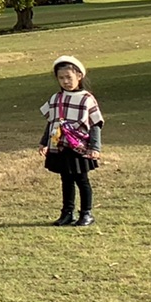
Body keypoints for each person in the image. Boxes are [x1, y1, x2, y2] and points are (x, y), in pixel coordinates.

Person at [39, 54, 103, 226]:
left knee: (81, 180)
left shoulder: (86, 99)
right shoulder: (56, 99)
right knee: (66, 179)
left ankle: (86, 213)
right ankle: (67, 213)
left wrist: (95, 147)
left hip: (80, 147)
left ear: (79, 76)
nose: (65, 81)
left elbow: (95, 123)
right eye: (61, 78)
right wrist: (44, 142)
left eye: (69, 77)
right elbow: (51, 122)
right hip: (60, 146)